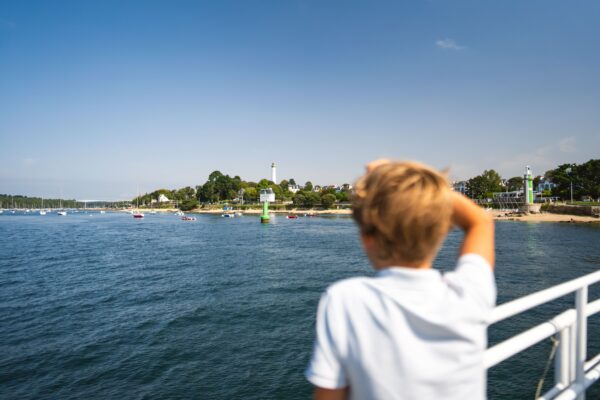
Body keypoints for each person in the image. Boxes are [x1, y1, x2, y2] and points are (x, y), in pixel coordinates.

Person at [305, 160, 496, 400]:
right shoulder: (468, 294)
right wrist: (407, 179)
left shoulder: (345, 300)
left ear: (366, 237)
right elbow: (480, 221)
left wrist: (386, 182)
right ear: (442, 231)